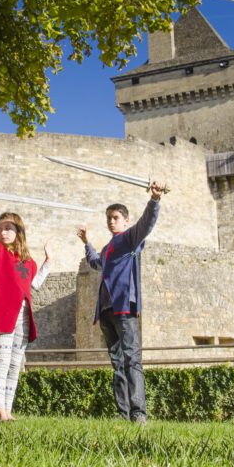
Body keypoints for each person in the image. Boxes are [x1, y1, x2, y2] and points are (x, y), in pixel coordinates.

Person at [77, 181, 165, 424]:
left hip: (124, 308)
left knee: (131, 360)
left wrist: (155, 200)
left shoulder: (129, 239)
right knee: (117, 365)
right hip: (106, 312)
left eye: (115, 217)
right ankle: (123, 414)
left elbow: (147, 223)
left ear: (125, 221)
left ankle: (138, 415)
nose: (111, 221)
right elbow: (96, 262)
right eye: (109, 218)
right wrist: (87, 242)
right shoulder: (108, 248)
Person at [0, 188, 50, 421]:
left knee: (16, 363)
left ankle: (9, 410)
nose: (3, 232)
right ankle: (0, 410)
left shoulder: (27, 260)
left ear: (18, 231)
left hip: (23, 315)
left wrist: (48, 262)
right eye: (0, 228)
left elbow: (34, 285)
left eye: (8, 228)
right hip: (3, 312)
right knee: (2, 361)